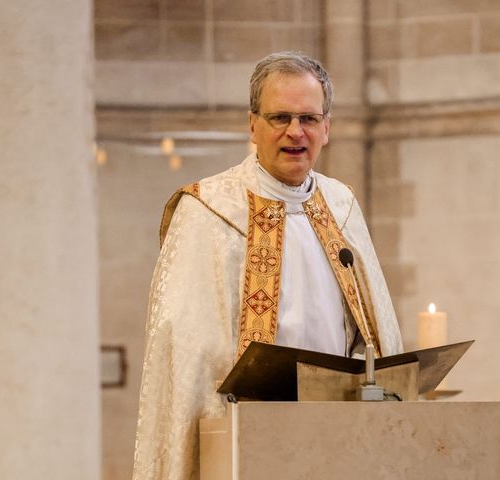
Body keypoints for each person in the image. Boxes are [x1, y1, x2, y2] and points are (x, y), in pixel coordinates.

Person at [132, 51, 403, 480]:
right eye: (280, 117)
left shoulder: (341, 206)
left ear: (327, 128)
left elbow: (371, 329)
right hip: (249, 435)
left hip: (340, 434)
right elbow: (188, 351)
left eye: (309, 119)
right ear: (252, 125)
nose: (295, 132)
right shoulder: (208, 209)